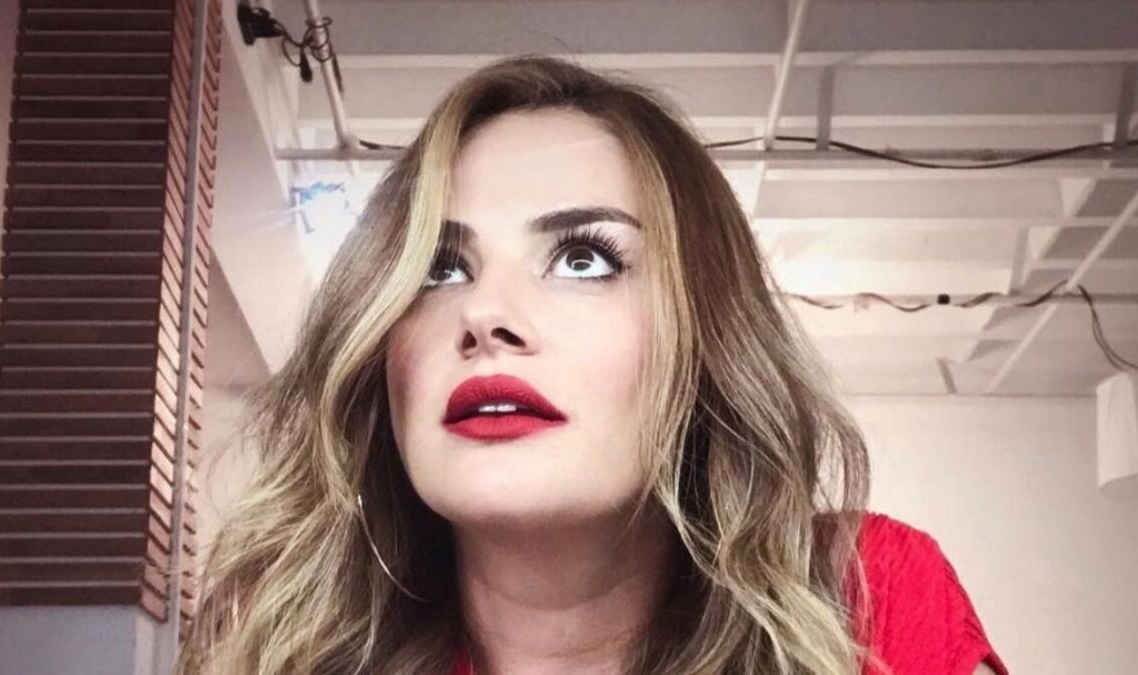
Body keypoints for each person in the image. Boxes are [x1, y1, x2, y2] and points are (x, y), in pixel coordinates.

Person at [177, 54, 1009, 675]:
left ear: (704, 336)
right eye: (439, 267)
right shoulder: (278, 646)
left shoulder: (866, 606)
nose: (485, 313)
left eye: (584, 258)